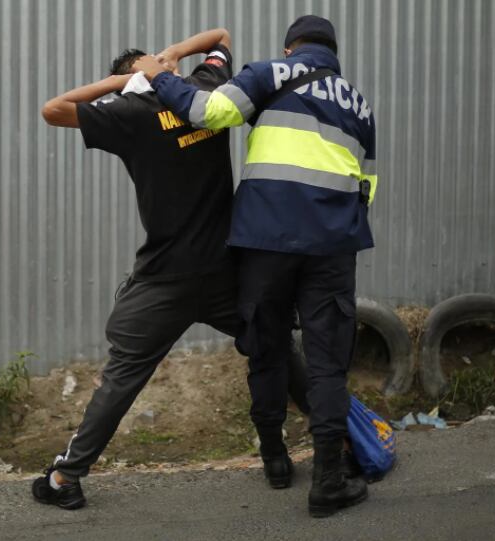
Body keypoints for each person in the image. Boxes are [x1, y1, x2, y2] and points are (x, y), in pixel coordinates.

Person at [34, 28, 307, 511]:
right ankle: (317, 444)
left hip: (166, 278)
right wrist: (173, 57)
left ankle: (64, 477)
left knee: (122, 376)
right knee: (274, 346)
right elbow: (220, 36)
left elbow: (53, 109)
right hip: (226, 270)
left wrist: (120, 84)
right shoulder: (203, 89)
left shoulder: (128, 114)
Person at [135, 15, 377, 518]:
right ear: (334, 54)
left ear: (291, 50)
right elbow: (366, 187)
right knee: (328, 362)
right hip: (332, 247)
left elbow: (207, 110)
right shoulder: (361, 105)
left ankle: (275, 460)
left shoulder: (271, 74)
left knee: (267, 349)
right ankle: (329, 480)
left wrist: (158, 75)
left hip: (265, 241)